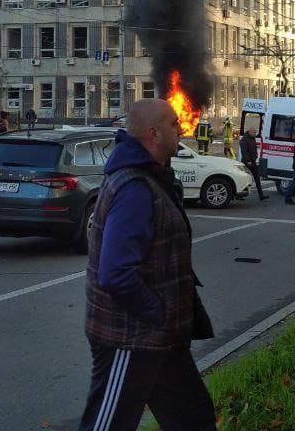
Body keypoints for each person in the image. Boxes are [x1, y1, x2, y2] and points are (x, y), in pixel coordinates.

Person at [78, 99, 217, 431]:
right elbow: (115, 274)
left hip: (161, 339)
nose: (181, 128)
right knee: (107, 425)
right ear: (153, 134)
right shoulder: (134, 189)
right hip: (130, 338)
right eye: (173, 123)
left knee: (194, 419)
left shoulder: (152, 178)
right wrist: (159, 314)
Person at [238, 127, 267, 201]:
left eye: (255, 132)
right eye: (254, 132)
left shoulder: (252, 138)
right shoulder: (244, 139)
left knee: (257, 178)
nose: (255, 134)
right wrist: (248, 161)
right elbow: (244, 152)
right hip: (246, 162)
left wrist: (255, 157)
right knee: (243, 178)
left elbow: (254, 149)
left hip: (253, 161)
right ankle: (239, 195)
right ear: (250, 132)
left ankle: (261, 195)